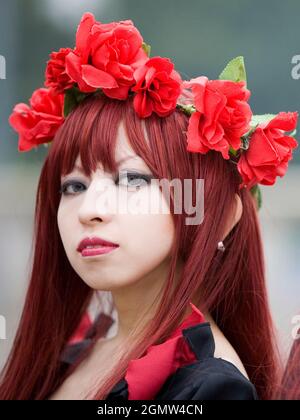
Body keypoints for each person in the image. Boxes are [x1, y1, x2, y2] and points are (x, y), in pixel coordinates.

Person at [0, 12, 298, 400]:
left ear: (219, 215)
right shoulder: (69, 353)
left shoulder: (210, 389)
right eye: (73, 185)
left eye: (132, 180)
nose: (90, 209)